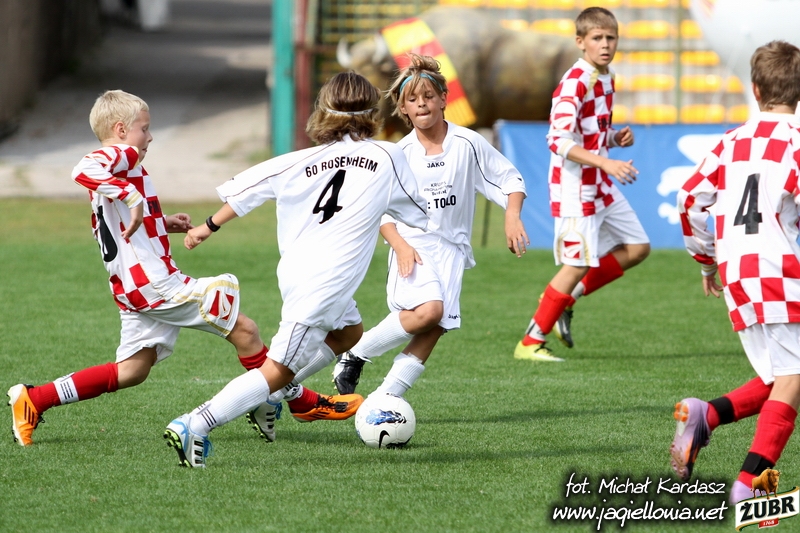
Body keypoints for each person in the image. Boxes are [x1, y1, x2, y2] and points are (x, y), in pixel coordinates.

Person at [163, 71, 429, 467]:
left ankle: (270, 396)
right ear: (374, 112)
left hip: (297, 273)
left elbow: (246, 192)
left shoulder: (298, 160)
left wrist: (207, 227)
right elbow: (417, 212)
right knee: (277, 370)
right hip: (325, 284)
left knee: (350, 332)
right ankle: (195, 424)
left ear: (323, 110)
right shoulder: (389, 156)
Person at [7, 90, 279, 446]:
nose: (149, 137)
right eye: (145, 129)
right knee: (244, 329)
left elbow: (120, 224)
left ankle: (35, 399)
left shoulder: (119, 169)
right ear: (121, 129)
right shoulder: (121, 155)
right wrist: (134, 197)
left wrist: (161, 222)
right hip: (154, 285)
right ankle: (288, 400)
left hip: (133, 285)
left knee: (133, 370)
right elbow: (82, 169)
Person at [326, 53, 528, 399]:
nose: (422, 104)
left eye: (429, 96)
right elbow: (380, 209)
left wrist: (512, 215)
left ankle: (385, 399)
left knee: (435, 326)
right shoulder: (399, 154)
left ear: (444, 99)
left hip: (453, 249)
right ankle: (356, 352)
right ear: (403, 109)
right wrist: (401, 246)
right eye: (413, 99)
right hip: (414, 245)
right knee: (430, 311)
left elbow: (510, 179)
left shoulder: (468, 143)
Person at [672, 40, 800, 504]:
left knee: (780, 374)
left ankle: (705, 415)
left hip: (737, 273)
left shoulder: (730, 141)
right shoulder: (796, 143)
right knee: (793, 377)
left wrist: (706, 260)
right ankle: (749, 483)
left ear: (755, 89)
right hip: (779, 269)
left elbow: (689, 200)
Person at [514, 6, 650, 362]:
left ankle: (566, 300)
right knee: (576, 265)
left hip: (599, 182)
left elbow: (588, 131)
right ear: (580, 42)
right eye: (597, 38)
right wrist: (606, 160)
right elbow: (557, 140)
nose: (605, 44)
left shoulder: (606, 76)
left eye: (610, 38)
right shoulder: (576, 81)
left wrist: (613, 138)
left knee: (638, 247)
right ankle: (530, 342)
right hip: (575, 189)